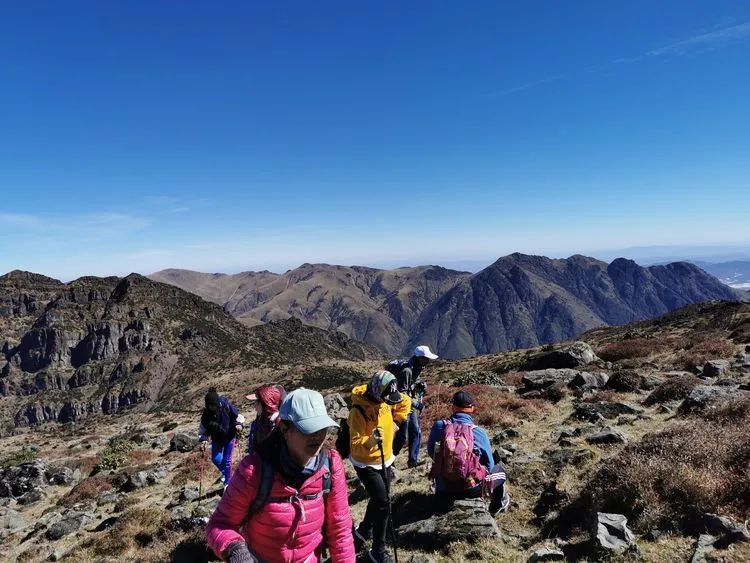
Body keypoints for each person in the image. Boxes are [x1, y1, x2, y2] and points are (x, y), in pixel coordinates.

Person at [206, 388, 355, 563]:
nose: (317, 436)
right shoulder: (254, 470)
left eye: (322, 427)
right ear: (285, 429)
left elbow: (341, 531)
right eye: (308, 429)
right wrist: (235, 549)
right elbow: (218, 525)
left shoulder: (330, 464)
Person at [349, 371, 412, 563]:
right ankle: (378, 550)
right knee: (383, 503)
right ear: (376, 392)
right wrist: (370, 441)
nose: (389, 401)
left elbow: (405, 401)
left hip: (385, 460)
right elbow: (355, 443)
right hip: (365, 463)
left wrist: (396, 422)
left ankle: (362, 532)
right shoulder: (357, 411)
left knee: (379, 498)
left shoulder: (385, 398)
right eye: (385, 397)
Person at [426, 390, 510, 516]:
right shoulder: (479, 432)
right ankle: (497, 506)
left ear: (453, 407)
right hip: (470, 489)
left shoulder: (439, 426)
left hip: (443, 489)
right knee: (500, 471)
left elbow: (431, 452)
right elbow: (490, 465)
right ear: (472, 408)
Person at [388, 345, 438, 468]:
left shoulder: (416, 367)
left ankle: (413, 461)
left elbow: (410, 385)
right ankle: (390, 461)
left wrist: (420, 385)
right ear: (420, 358)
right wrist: (416, 404)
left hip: (408, 405)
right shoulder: (407, 371)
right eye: (426, 358)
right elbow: (402, 393)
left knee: (416, 431)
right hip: (402, 407)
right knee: (401, 436)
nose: (428, 361)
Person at [199, 388, 245, 485]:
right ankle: (227, 474)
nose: (211, 408)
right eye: (209, 406)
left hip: (229, 436)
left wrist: (238, 424)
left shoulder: (225, 405)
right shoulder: (206, 413)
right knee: (215, 459)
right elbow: (204, 427)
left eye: (213, 405)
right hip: (216, 438)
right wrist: (204, 439)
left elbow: (236, 415)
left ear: (217, 403)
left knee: (226, 460)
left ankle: (228, 483)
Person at [245, 384, 286, 454]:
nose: (254, 405)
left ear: (266, 403)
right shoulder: (259, 421)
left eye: (257, 402)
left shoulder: (280, 423)